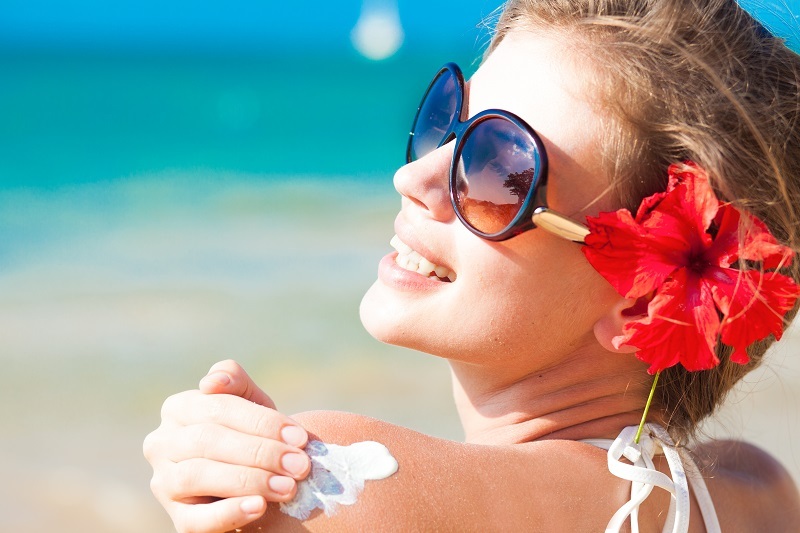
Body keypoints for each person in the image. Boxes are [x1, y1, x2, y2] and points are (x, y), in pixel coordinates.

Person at [143, 0, 800, 531]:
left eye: (499, 169)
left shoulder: (333, 480)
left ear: (640, 303)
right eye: (446, 125)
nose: (412, 176)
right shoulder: (757, 491)